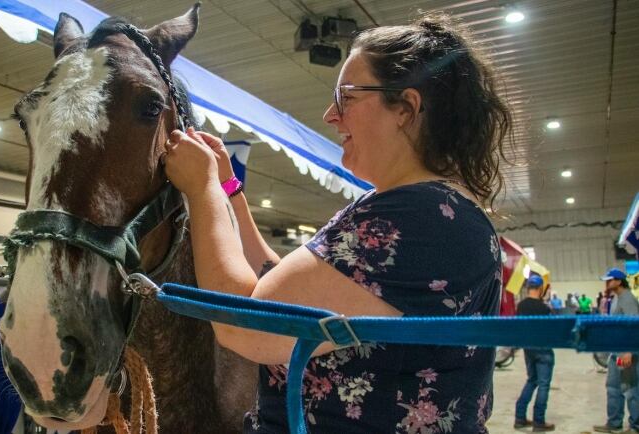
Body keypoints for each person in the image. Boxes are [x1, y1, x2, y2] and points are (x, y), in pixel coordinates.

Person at [163, 12, 511, 433]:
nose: (330, 114)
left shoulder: (415, 219)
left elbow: (249, 328)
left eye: (347, 96)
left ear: (405, 108)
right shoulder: (416, 210)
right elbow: (277, 287)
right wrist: (229, 190)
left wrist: (202, 191)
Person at [594, 268, 639, 434]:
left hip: (625, 353)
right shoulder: (616, 299)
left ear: (619, 281)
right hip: (615, 352)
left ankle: (636, 426)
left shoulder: (627, 299)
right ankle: (614, 423)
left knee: (631, 389)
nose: (607, 283)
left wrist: (628, 351)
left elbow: (634, 325)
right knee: (613, 388)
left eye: (609, 280)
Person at [514, 274, 556, 431]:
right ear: (540, 289)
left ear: (528, 287)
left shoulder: (521, 306)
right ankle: (539, 421)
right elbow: (551, 329)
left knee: (532, 380)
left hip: (528, 349)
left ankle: (520, 418)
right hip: (543, 349)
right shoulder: (544, 308)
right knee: (543, 385)